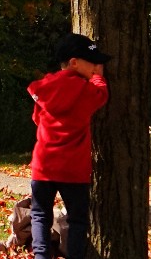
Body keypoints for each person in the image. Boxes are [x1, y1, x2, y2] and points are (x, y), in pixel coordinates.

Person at [28, 32, 109, 259]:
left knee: (40, 215)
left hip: (43, 165)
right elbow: (101, 95)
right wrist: (98, 78)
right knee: (77, 220)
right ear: (74, 62)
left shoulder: (45, 87)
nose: (97, 66)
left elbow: (37, 118)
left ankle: (41, 256)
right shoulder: (86, 90)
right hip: (73, 169)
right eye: (92, 62)